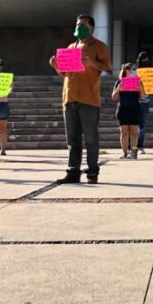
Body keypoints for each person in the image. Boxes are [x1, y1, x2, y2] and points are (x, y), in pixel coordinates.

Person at [49, 14, 112, 185]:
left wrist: (91, 62)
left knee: (91, 138)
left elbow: (108, 67)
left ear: (92, 28)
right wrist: (56, 65)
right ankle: (73, 171)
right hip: (69, 97)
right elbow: (65, 74)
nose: (79, 27)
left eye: (83, 25)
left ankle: (92, 172)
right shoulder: (71, 47)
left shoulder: (99, 46)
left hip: (89, 98)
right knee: (72, 138)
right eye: (77, 24)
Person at [112, 63, 145, 159]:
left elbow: (143, 97)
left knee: (134, 133)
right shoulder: (119, 82)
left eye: (133, 69)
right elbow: (114, 97)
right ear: (125, 70)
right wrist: (118, 89)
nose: (132, 71)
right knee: (124, 133)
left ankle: (134, 152)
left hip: (134, 108)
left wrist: (140, 88)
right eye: (130, 69)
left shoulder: (138, 81)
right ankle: (125, 153)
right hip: (123, 109)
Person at [133, 51, 153, 154]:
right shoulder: (135, 71)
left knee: (142, 124)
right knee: (133, 124)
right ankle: (132, 145)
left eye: (146, 59)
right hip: (134, 100)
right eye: (143, 59)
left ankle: (140, 145)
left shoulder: (151, 71)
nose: (145, 61)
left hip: (146, 100)